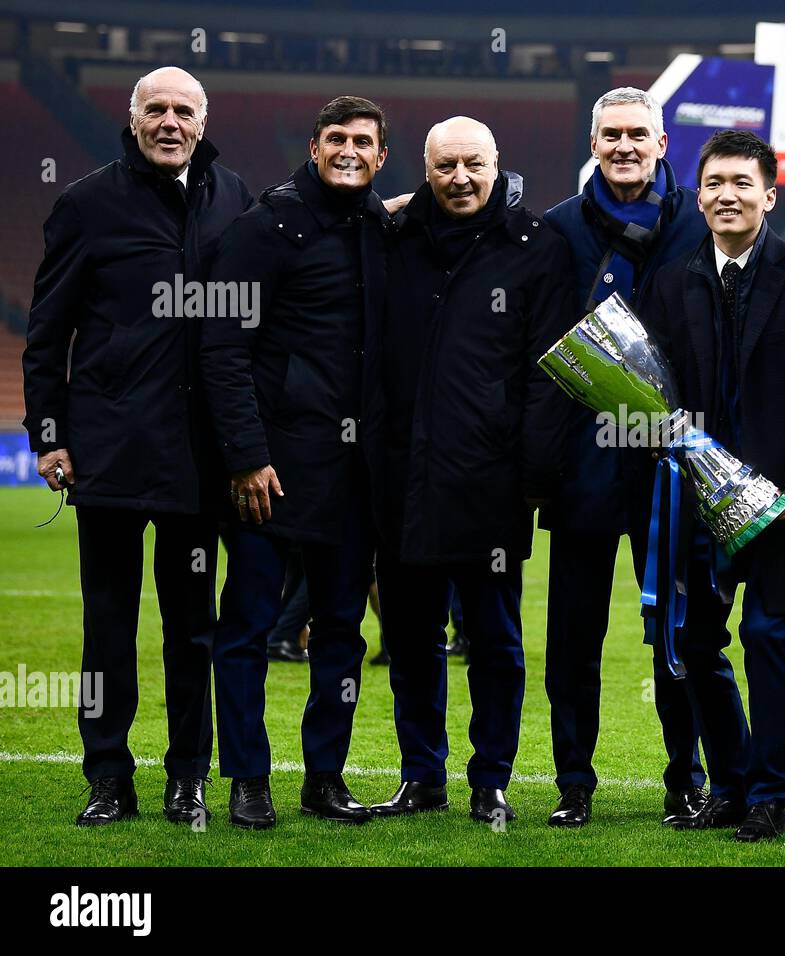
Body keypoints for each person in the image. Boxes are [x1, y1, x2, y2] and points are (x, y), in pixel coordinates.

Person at [23, 67, 252, 827]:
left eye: (184, 111)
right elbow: (46, 331)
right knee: (108, 625)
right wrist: (48, 433)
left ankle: (188, 776)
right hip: (111, 453)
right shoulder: (87, 202)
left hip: (197, 458)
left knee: (193, 628)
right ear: (133, 118)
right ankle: (107, 778)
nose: (170, 121)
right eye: (156, 109)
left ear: (201, 121)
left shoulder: (233, 199)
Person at [642, 130, 785, 841]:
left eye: (741, 183)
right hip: (696, 500)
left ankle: (769, 794)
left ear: (769, 195)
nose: (726, 195)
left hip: (777, 502)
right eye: (713, 183)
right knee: (697, 644)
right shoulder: (671, 281)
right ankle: (728, 785)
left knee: (767, 637)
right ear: (697, 197)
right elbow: (650, 394)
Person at [370, 116, 575, 824]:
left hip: (490, 484)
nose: (460, 178)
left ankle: (491, 779)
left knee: (495, 644)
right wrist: (378, 205)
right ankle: (421, 776)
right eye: (445, 165)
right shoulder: (391, 236)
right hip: (399, 478)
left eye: (473, 164)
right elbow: (301, 219)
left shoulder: (536, 247)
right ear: (423, 169)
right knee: (409, 640)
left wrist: (531, 477)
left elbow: (550, 374)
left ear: (498, 165)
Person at [200, 95, 390, 828]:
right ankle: (248, 778)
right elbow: (221, 349)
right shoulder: (263, 227)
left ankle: (325, 780)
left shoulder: (378, 224)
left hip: (350, 479)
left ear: (380, 156)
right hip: (268, 476)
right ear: (314, 147)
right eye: (335, 138)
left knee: (341, 635)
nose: (348, 150)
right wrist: (246, 458)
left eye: (362, 142)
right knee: (247, 628)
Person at [540, 87, 710, 828]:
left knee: (676, 629)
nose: (624, 146)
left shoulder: (698, 228)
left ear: (663, 143)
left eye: (638, 134)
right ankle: (573, 783)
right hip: (581, 465)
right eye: (611, 134)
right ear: (594, 141)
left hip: (668, 468)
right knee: (572, 637)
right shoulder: (555, 231)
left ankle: (687, 779)